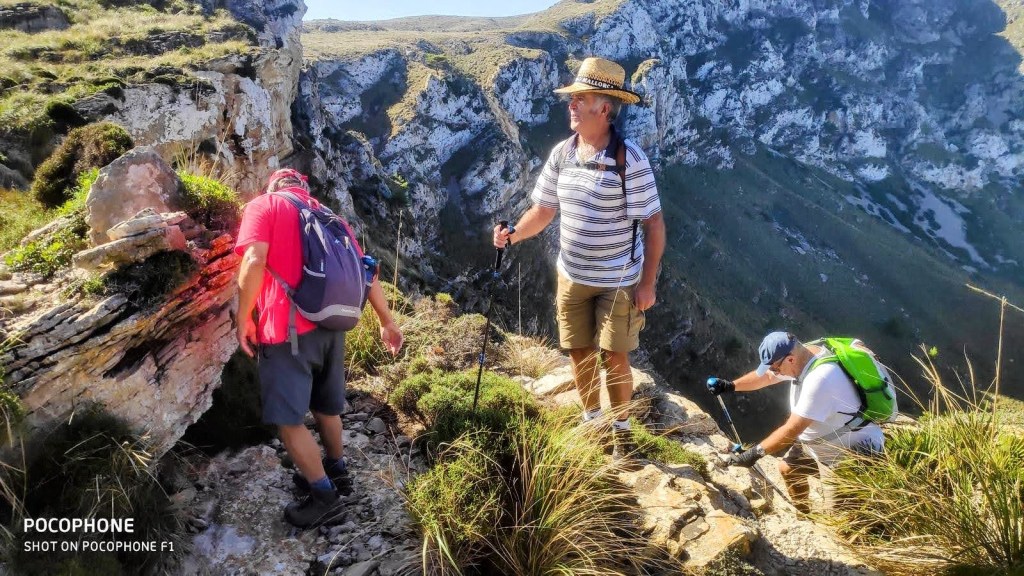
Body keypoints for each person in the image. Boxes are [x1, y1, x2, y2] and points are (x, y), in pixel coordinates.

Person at [493, 57, 666, 457]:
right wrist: (513, 235)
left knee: (615, 354)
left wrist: (648, 282)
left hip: (619, 277)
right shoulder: (563, 154)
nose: (571, 105)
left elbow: (654, 224)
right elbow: (544, 209)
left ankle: (621, 430)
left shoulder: (630, 161)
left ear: (604, 109)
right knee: (579, 350)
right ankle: (592, 422)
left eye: (580, 99)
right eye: (571, 99)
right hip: (572, 274)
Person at [234, 168, 403, 528]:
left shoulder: (264, 206)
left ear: (273, 187)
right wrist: (387, 322)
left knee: (288, 421)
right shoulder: (332, 219)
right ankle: (338, 471)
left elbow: (253, 260)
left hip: (286, 331)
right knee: (327, 408)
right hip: (333, 329)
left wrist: (243, 316)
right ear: (304, 189)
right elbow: (367, 274)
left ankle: (325, 498)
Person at [706, 331, 887, 513]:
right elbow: (768, 377)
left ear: (790, 360)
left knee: (838, 516)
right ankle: (805, 514)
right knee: (788, 468)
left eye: (776, 367)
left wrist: (753, 454)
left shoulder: (821, 379)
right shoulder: (805, 356)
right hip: (821, 443)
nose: (774, 372)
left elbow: (792, 429)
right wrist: (730, 386)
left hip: (846, 453)